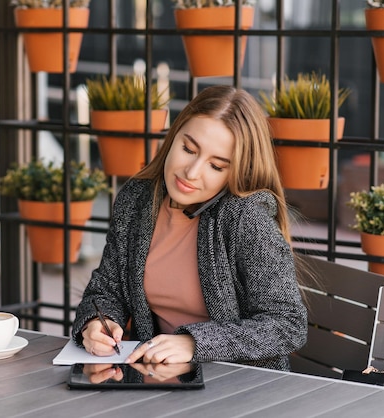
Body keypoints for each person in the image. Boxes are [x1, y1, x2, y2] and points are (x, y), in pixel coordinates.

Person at [72, 85, 307, 371]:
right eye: (188, 149)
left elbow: (287, 324)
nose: (192, 172)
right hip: (161, 382)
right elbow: (106, 290)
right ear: (174, 137)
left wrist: (194, 343)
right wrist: (99, 322)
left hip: (242, 389)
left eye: (217, 166)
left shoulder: (245, 218)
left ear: (236, 171)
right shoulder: (137, 200)